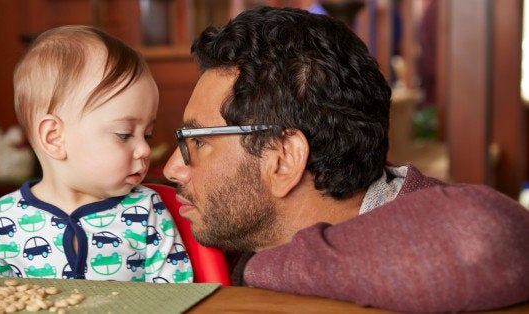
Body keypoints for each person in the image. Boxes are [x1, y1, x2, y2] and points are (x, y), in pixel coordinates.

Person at [163, 6, 529, 312]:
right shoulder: (230, 229)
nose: (171, 168)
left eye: (198, 142)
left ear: (283, 159)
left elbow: (485, 234)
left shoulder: (440, 239)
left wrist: (266, 265)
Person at [0, 25, 193, 283]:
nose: (144, 150)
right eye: (124, 134)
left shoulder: (146, 210)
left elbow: (176, 294)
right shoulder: (3, 218)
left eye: (147, 135)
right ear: (54, 138)